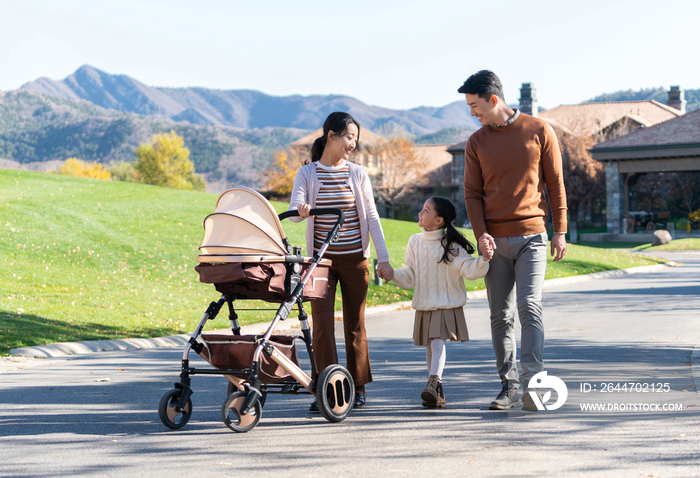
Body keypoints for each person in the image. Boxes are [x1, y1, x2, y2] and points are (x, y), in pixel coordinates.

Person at [458, 70, 568, 411]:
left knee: (529, 307)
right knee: (499, 316)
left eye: (475, 106)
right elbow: (472, 194)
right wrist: (481, 235)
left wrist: (560, 230)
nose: (472, 113)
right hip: (495, 242)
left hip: (532, 237)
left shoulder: (539, 130)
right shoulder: (476, 143)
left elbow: (555, 183)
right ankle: (509, 385)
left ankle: (534, 385)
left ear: (494, 100)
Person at [288, 111, 392, 410]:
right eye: (349, 137)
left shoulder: (356, 173)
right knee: (321, 326)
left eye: (355, 140)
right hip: (320, 262)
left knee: (354, 324)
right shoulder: (307, 173)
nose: (352, 144)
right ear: (331, 136)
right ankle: (327, 388)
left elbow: (371, 216)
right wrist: (302, 209)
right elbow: (294, 211)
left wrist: (382, 259)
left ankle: (356, 387)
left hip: (354, 259)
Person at [383, 197, 490, 408]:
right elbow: (410, 274)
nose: (420, 213)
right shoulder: (415, 241)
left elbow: (469, 269)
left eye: (426, 210)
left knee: (438, 342)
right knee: (431, 346)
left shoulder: (452, 246)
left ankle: (433, 381)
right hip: (425, 303)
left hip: (446, 303)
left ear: (439, 220)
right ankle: (437, 393)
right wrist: (393, 274)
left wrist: (484, 259)